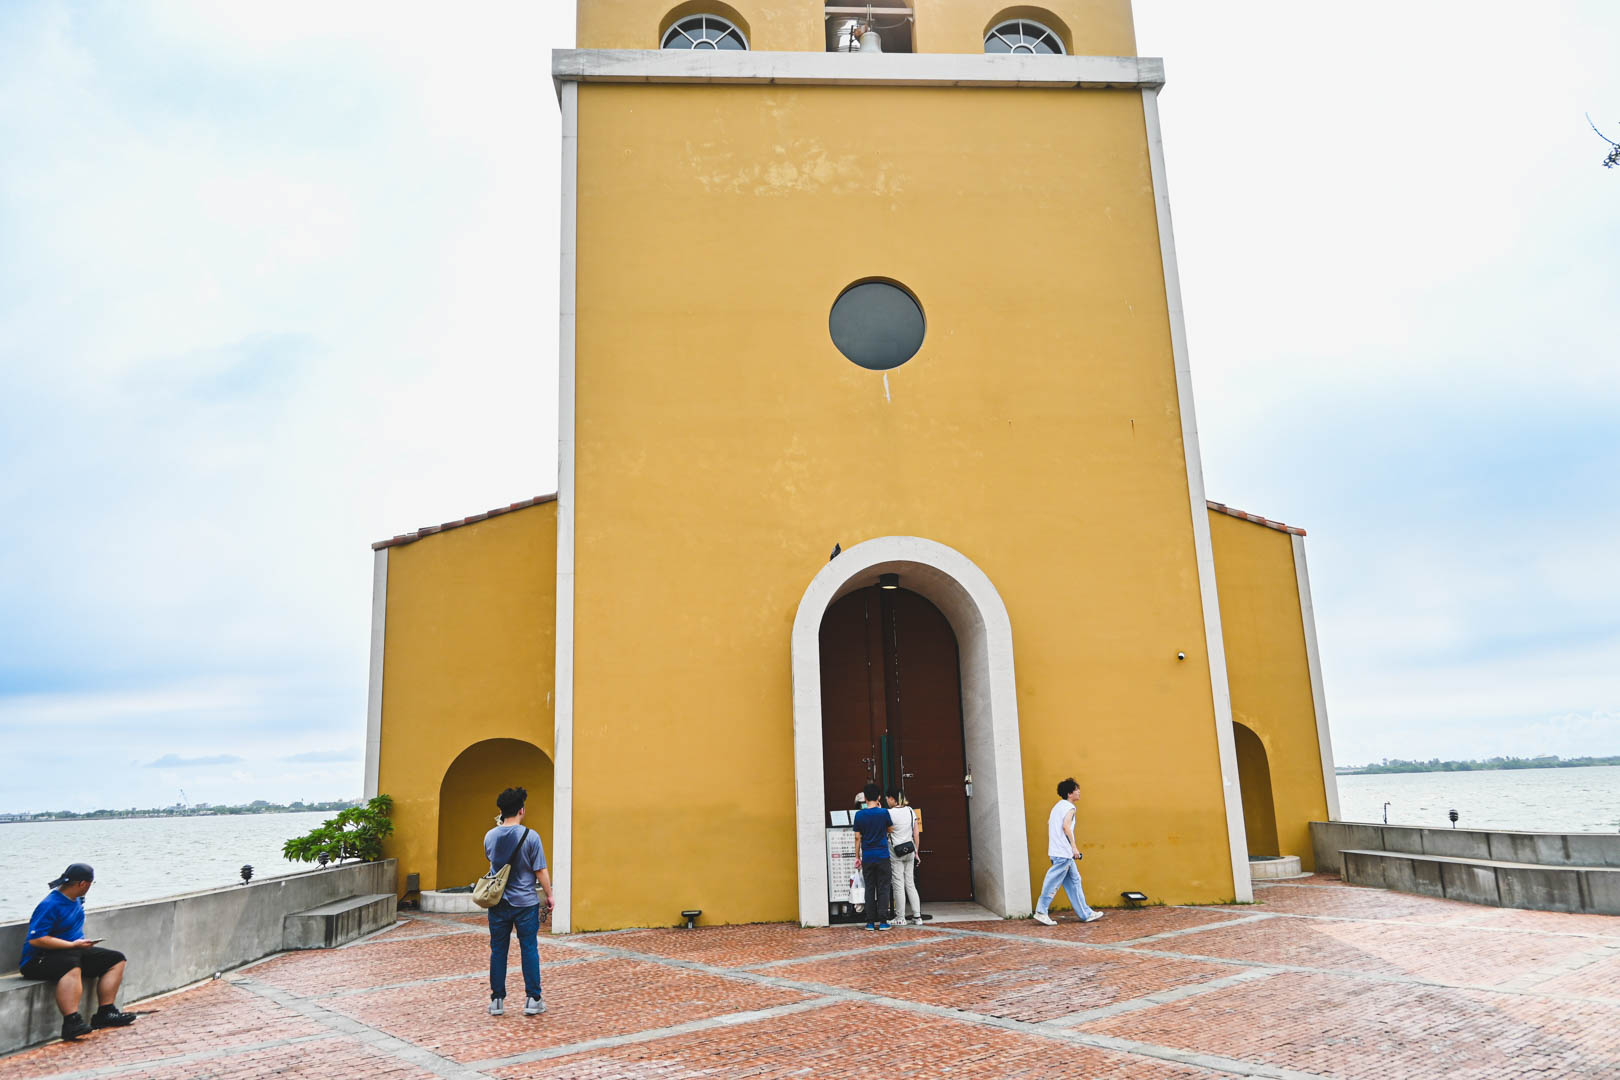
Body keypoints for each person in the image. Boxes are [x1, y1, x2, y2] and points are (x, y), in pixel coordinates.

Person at [19, 863, 137, 1041]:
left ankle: (105, 1012)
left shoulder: (77, 899)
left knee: (116, 960)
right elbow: (37, 939)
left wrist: (79, 946)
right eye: (91, 883)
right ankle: (71, 1022)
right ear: (83, 884)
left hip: (73, 950)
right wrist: (73, 945)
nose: (90, 887)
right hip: (38, 960)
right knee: (71, 964)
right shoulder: (50, 904)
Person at [484, 787, 554, 1017]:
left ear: (502, 811)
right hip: (525, 903)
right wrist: (549, 894)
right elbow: (540, 870)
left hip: (498, 902)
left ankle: (497, 1001)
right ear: (521, 810)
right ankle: (533, 999)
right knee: (529, 948)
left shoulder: (490, 836)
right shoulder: (531, 836)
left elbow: (491, 860)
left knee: (498, 951)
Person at [1033, 777, 1103, 926]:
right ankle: (1041, 911)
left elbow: (1051, 823)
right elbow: (1066, 827)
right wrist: (1074, 847)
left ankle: (1086, 913)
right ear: (1070, 793)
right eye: (1077, 789)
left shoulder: (1057, 807)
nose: (1079, 792)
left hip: (1059, 852)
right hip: (1063, 854)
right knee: (1052, 882)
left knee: (1075, 882)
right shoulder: (1070, 808)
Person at [853, 782, 893, 931]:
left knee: (869, 888)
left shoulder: (859, 815)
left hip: (868, 856)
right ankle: (883, 921)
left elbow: (857, 838)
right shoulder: (883, 813)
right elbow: (890, 829)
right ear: (878, 797)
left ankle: (870, 922)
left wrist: (857, 857)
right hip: (882, 855)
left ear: (865, 797)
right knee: (883, 887)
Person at [885, 790, 922, 926]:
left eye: (888, 798)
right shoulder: (910, 811)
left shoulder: (889, 813)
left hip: (896, 852)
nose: (887, 801)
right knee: (910, 883)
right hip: (910, 850)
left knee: (898, 883)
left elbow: (887, 831)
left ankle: (900, 917)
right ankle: (917, 916)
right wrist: (916, 852)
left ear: (893, 799)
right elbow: (916, 834)